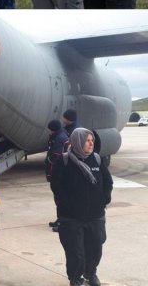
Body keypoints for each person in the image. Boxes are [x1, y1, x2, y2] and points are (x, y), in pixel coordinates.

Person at [51, 128, 112, 286]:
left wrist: (104, 198)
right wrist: (65, 204)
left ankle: (90, 273)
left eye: (92, 140)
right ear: (77, 141)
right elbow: (56, 186)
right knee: (75, 252)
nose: (91, 143)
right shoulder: (64, 161)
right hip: (71, 217)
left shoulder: (97, 160)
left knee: (95, 249)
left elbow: (108, 181)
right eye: (87, 140)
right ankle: (75, 277)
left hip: (95, 215)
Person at [45, 119, 70, 233]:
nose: (48, 131)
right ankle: (60, 219)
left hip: (57, 173)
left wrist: (48, 161)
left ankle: (62, 222)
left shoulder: (59, 138)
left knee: (60, 199)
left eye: (49, 129)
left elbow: (56, 155)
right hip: (57, 173)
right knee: (58, 198)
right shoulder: (60, 136)